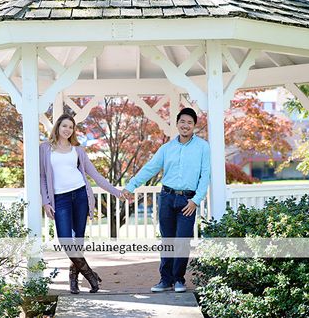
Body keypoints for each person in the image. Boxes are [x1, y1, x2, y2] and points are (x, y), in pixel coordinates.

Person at [122, 107, 210, 293]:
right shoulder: (166, 148)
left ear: (194, 126)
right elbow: (150, 168)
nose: (185, 125)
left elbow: (205, 175)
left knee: (182, 240)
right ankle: (165, 279)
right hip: (167, 198)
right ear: (177, 124)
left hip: (188, 201)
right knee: (167, 240)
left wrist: (196, 200)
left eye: (189, 122)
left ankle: (179, 279)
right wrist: (131, 186)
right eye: (182, 122)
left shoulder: (203, 147)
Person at [39, 114, 124, 294]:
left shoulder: (77, 150)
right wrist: (46, 202)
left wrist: (116, 192)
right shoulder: (45, 148)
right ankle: (90, 275)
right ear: (57, 127)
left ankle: (73, 279)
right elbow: (42, 177)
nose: (67, 129)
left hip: (80, 195)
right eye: (64, 126)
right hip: (60, 199)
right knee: (64, 239)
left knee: (78, 241)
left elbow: (95, 175)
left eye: (71, 127)